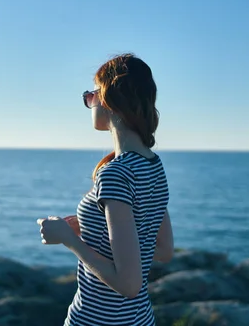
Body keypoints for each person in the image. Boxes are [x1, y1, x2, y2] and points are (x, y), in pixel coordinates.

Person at [37, 53, 174, 325]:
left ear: (110, 99)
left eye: (92, 94)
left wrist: (69, 239)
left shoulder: (115, 173)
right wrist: (93, 230)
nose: (89, 100)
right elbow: (162, 250)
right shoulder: (153, 165)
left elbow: (128, 284)